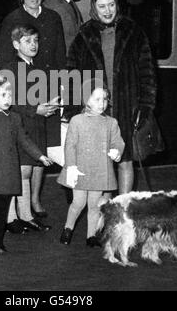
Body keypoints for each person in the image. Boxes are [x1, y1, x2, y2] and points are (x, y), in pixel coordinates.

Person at [66, 0, 157, 194]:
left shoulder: (134, 32)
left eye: (111, 5)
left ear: (117, 5)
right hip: (97, 109)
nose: (107, 11)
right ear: (93, 9)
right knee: (101, 162)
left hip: (127, 106)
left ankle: (122, 209)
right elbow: (71, 74)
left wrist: (145, 106)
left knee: (125, 160)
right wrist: (73, 109)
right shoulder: (83, 35)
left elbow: (147, 73)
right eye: (101, 6)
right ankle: (105, 211)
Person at [0, 0, 66, 216]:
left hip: (48, 86)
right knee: (26, 149)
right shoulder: (12, 19)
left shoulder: (53, 17)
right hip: (24, 88)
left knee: (42, 147)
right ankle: (20, 208)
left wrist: (61, 84)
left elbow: (59, 53)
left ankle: (35, 201)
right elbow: (4, 60)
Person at [0, 75, 53, 254]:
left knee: (1, 209)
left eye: (9, 95)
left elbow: (24, 140)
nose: (8, 99)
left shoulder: (14, 118)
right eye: (3, 95)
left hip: (7, 171)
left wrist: (40, 156)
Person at [0, 25, 55, 232]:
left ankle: (26, 215)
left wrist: (49, 105)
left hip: (36, 126)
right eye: (27, 41)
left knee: (28, 171)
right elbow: (6, 99)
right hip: (20, 125)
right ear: (16, 44)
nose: (33, 45)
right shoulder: (10, 68)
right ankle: (11, 217)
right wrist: (35, 109)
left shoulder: (37, 68)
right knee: (21, 172)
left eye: (36, 40)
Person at [57, 84, 125, 247]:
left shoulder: (111, 122)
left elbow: (118, 141)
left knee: (94, 205)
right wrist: (71, 166)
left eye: (105, 99)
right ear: (86, 100)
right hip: (80, 169)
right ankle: (68, 228)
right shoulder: (77, 121)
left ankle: (91, 235)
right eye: (97, 99)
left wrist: (117, 151)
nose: (102, 103)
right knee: (78, 203)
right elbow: (70, 145)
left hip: (100, 170)